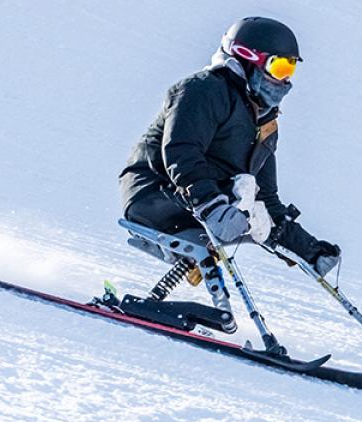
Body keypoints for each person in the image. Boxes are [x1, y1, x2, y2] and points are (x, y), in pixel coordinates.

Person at [119, 17, 341, 281]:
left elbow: (266, 198)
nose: (283, 81)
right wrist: (212, 206)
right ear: (247, 58)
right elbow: (182, 152)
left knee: (254, 203)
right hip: (156, 194)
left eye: (289, 71)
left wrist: (308, 250)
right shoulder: (203, 90)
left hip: (205, 205)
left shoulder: (265, 122)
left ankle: (203, 314)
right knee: (240, 197)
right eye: (279, 67)